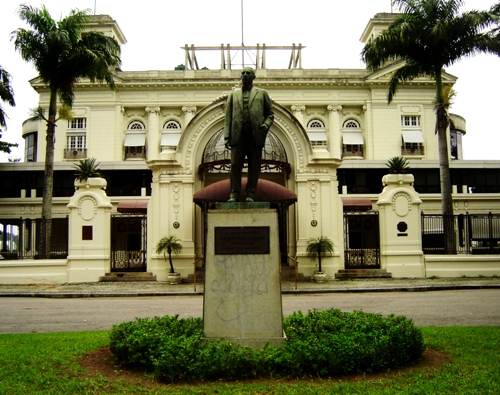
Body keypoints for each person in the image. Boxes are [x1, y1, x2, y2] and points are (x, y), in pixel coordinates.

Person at [224, 67, 274, 202]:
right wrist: (227, 136)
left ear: (253, 77)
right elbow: (228, 117)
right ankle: (234, 194)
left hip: (256, 135)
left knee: (254, 166)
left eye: (248, 73)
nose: (245, 75)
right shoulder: (233, 95)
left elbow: (270, 115)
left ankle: (250, 194)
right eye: (243, 73)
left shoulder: (262, 93)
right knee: (235, 165)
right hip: (237, 135)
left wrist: (265, 125)